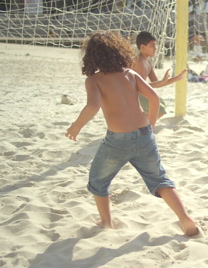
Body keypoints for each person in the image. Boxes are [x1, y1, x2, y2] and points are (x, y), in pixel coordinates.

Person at [65, 31, 199, 236]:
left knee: (98, 180)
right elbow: (154, 99)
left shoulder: (94, 80)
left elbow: (92, 106)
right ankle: (185, 219)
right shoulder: (130, 73)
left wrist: (76, 126)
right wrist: (151, 125)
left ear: (91, 56)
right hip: (144, 135)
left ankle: (106, 222)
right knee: (160, 179)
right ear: (120, 51)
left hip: (117, 141)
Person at [133, 31, 186, 120]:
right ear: (142, 47)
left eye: (156, 45)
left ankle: (143, 126)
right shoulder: (139, 62)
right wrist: (161, 82)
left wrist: (176, 78)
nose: (156, 48)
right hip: (132, 95)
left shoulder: (148, 62)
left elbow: (157, 84)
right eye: (152, 46)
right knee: (159, 109)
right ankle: (142, 127)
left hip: (140, 93)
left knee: (161, 105)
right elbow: (138, 87)